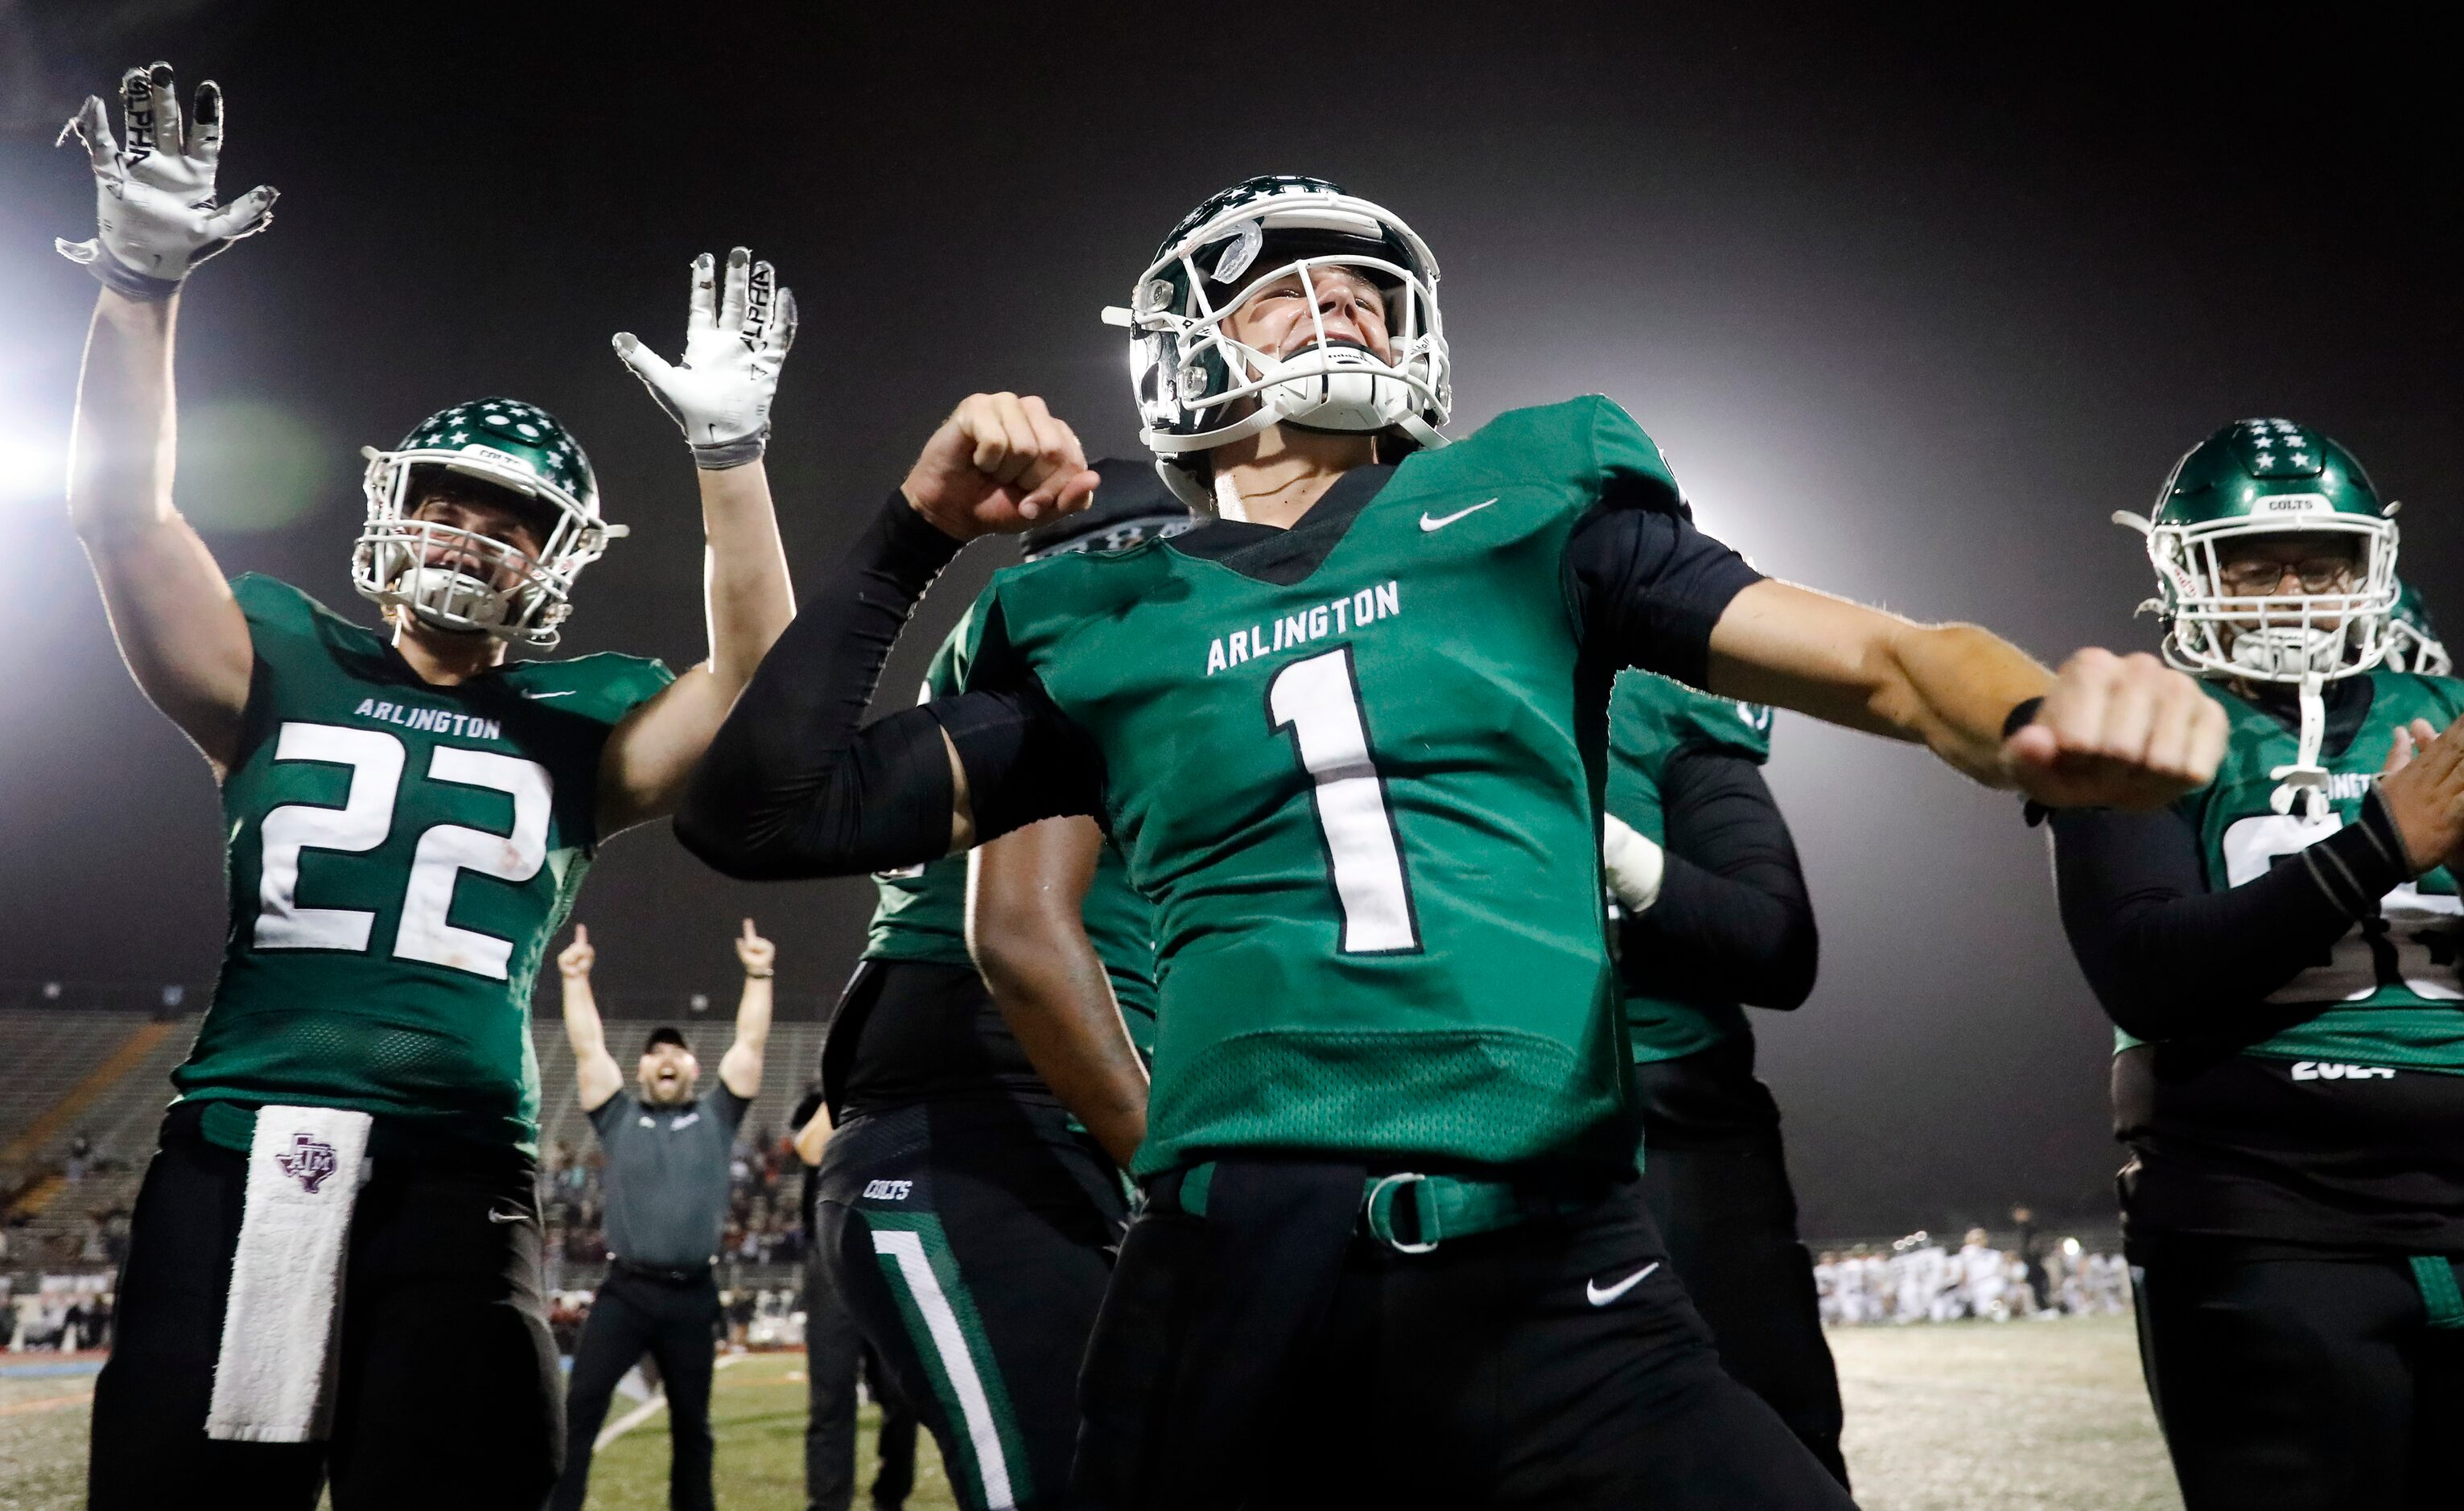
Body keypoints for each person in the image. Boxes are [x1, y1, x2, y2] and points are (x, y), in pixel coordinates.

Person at [674, 175, 2223, 1506]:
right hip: (1229, 1269)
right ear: (1179, 349)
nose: (1340, 313)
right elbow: (762, 810)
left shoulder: (1526, 508)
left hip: (1551, 1252)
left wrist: (2035, 715)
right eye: (1289, 294)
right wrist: (911, 535)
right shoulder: (1099, 607)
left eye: (1368, 289)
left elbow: (1888, 657)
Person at [64, 63, 797, 1510]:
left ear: (557, 558)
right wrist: (142, 285)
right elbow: (119, 514)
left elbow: (759, 687)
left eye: (506, 520)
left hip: (463, 1182)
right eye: (446, 503)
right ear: (392, 508)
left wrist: (731, 454)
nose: (469, 535)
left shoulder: (578, 717)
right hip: (246, 1152)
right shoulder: (280, 652)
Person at [2051, 419, 2464, 1509]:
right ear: (2189, 571)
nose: (2293, 590)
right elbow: (2145, 967)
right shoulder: (2140, 718)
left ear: (2370, 565)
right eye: (2256, 562)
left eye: (2321, 561)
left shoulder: (2446, 712)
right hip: (2266, 1220)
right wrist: (2383, 841)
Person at [801, 463, 1178, 1511]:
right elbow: (1024, 941)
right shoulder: (1091, 643)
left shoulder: (1003, 664)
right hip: (979, 1136)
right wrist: (1175, 1171)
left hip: (1010, 1132)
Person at [1597, 671, 1846, 1480]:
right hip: (1429, 1132)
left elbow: (1775, 943)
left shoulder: (1647, 702)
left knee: (1761, 1458)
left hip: (1672, 1126)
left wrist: (1604, 847)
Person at [550, 921, 773, 1510]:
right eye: (655, 1053)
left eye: (677, 1052)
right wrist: (576, 979)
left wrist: (758, 974)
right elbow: (588, 1048)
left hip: (692, 1295)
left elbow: (749, 1046)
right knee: (581, 1407)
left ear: (695, 1068)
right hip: (624, 1292)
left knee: (691, 1430)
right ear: (642, 1069)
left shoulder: (718, 1116)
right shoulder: (617, 1116)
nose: (665, 1058)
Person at [791, 1092, 918, 1511]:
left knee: (903, 1396)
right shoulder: (820, 1101)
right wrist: (847, 1085)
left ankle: (890, 1494)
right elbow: (810, 1149)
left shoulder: (905, 1098)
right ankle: (828, 1504)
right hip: (830, 1261)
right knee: (831, 1397)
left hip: (890, 1254)